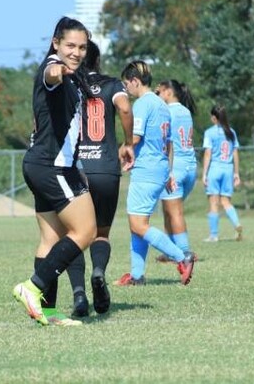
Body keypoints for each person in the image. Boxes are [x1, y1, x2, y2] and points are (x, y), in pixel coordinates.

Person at [13, 16, 97, 326]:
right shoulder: (53, 68)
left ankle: (46, 312)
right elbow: (51, 74)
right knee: (85, 231)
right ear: (56, 43)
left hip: (43, 164)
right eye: (70, 46)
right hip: (52, 167)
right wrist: (59, 69)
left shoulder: (73, 75)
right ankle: (31, 288)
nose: (76, 52)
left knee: (51, 239)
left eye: (82, 47)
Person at [65, 40, 135, 317]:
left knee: (73, 235)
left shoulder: (69, 85)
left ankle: (79, 294)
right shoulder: (112, 84)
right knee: (101, 233)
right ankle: (98, 272)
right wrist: (128, 142)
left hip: (75, 168)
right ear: (98, 60)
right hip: (106, 167)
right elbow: (126, 109)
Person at [114, 61, 195, 287]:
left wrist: (121, 149)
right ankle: (137, 275)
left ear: (135, 81)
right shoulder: (163, 106)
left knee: (138, 225)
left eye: (126, 84)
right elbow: (169, 145)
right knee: (139, 224)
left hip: (146, 170)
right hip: (159, 168)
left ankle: (182, 257)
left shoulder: (142, 105)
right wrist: (168, 172)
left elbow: (135, 138)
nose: (125, 90)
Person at [154, 80, 198, 266]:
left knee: (175, 212)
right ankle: (170, 250)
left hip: (175, 168)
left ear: (168, 92)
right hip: (191, 167)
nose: (157, 95)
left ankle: (185, 253)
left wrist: (168, 171)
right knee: (169, 210)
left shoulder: (166, 111)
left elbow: (167, 143)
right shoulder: (186, 111)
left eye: (159, 91)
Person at [202, 104, 243, 242]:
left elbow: (208, 154)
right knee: (226, 202)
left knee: (214, 203)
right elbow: (235, 153)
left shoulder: (210, 132)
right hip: (228, 169)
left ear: (214, 118)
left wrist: (204, 174)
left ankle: (213, 235)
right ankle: (237, 224)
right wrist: (236, 173)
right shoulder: (231, 132)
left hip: (215, 169)